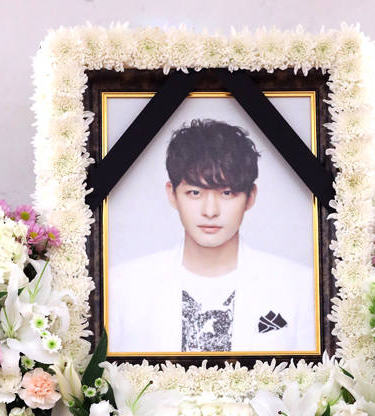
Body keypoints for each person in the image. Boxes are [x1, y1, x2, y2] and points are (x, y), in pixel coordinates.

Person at [108, 118, 317, 354]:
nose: (210, 211)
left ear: (250, 197)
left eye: (227, 193)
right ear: (173, 194)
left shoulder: (300, 286)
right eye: (194, 192)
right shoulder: (122, 286)